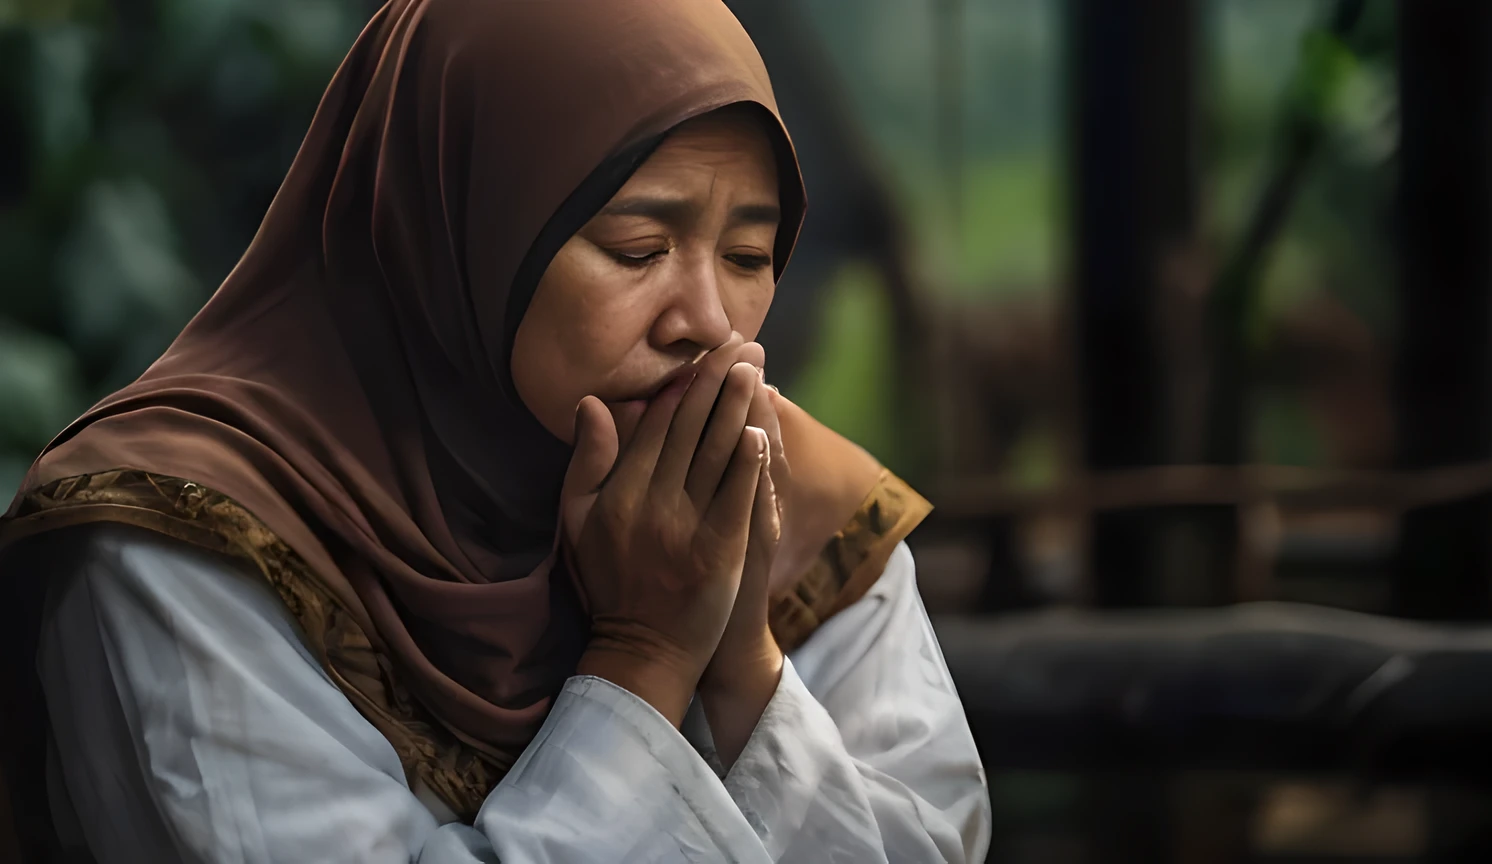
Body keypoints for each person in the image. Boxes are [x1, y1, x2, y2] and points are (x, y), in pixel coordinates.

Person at [0, 0, 990, 861]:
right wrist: (646, 654)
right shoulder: (190, 538)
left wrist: (739, 660)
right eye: (638, 247)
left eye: (749, 253)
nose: (710, 322)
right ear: (456, 227)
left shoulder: (793, 501)